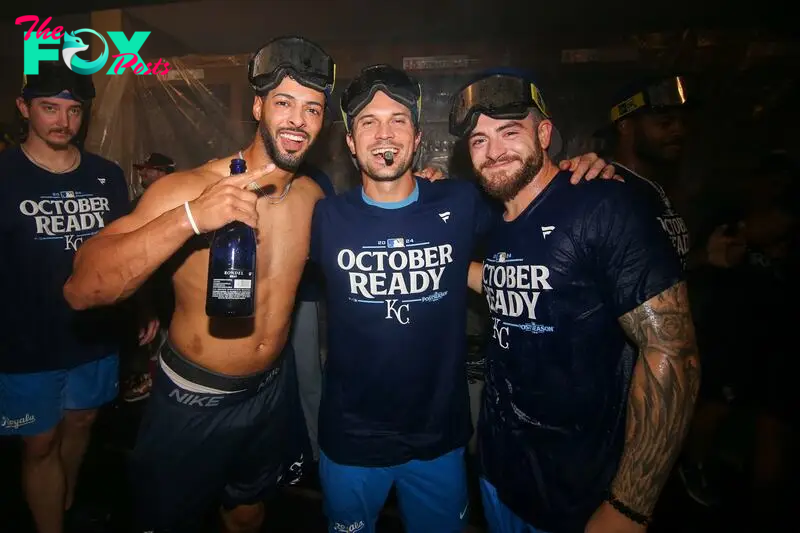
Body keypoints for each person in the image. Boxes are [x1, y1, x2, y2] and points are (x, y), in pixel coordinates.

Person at [310, 64, 617, 533]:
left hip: (440, 440)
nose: (383, 133)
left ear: (417, 138)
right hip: (351, 441)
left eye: (398, 120)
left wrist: (576, 169)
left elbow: (531, 209)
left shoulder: (461, 201)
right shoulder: (323, 218)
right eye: (368, 122)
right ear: (350, 143)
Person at [62, 36, 334, 533]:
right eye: (284, 102)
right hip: (194, 399)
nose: (298, 120)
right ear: (257, 106)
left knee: (249, 511)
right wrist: (191, 218)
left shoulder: (314, 197)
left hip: (270, 390)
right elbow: (83, 287)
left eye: (312, 109)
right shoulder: (187, 188)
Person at [449, 72, 701, 533]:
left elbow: (672, 351)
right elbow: (522, 281)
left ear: (544, 134)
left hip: (582, 492)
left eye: (510, 132)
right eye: (479, 139)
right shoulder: (492, 214)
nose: (494, 151)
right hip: (499, 472)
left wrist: (630, 505)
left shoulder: (603, 204)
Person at [0, 62, 154, 533]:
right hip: (24, 338)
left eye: (73, 110)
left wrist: (141, 304)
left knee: (83, 422)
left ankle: (61, 502)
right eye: (50, 108)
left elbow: (124, 249)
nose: (62, 122)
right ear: (25, 108)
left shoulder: (105, 176)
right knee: (39, 442)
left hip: (94, 335)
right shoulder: (4, 176)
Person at [121, 152, 178, 403]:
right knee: (151, 338)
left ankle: (162, 384)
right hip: (148, 284)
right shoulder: (138, 204)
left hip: (171, 286)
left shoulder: (181, 200)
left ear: (163, 172)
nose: (142, 174)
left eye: (148, 170)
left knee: (169, 337)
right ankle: (151, 381)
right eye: (142, 169)